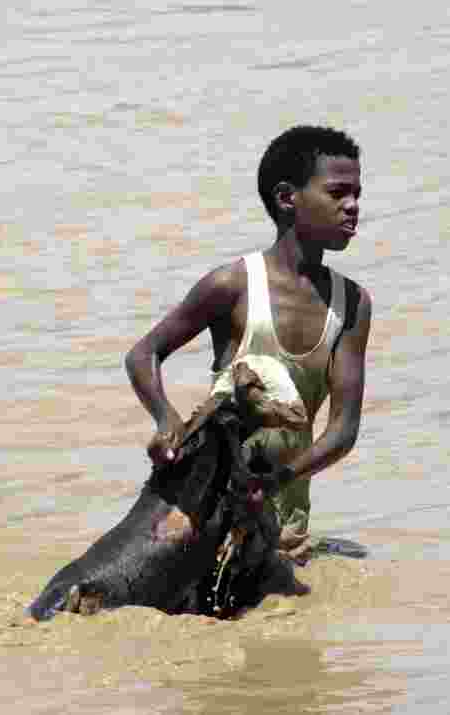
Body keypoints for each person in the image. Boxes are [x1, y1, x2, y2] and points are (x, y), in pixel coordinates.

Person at [124, 125, 373, 562]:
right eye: (337, 193)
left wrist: (283, 478)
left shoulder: (352, 304)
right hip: (208, 518)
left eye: (357, 193)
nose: (353, 206)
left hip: (284, 525)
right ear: (286, 198)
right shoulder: (234, 285)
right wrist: (167, 420)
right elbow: (144, 354)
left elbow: (343, 430)